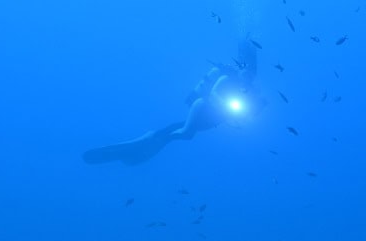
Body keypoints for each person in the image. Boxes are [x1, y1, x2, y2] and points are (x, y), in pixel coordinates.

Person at [83, 40, 259, 166]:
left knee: (181, 131)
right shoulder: (227, 77)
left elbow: (241, 112)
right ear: (243, 67)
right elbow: (213, 94)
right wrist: (227, 106)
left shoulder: (245, 88)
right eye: (248, 72)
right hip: (202, 107)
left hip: (210, 119)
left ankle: (146, 147)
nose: (248, 78)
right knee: (184, 133)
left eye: (252, 75)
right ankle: (145, 140)